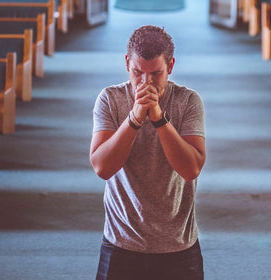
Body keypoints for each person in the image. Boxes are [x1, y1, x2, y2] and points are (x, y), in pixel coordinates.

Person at [89, 25, 206, 280]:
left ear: (171, 66)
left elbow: (190, 169)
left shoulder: (188, 101)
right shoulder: (110, 99)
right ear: (127, 63)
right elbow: (102, 167)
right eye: (137, 72)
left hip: (178, 245)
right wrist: (134, 118)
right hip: (121, 242)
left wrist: (159, 119)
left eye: (156, 74)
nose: (146, 83)